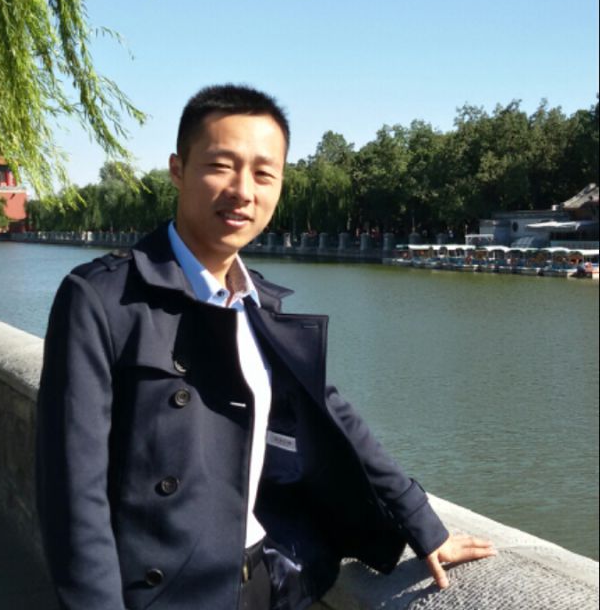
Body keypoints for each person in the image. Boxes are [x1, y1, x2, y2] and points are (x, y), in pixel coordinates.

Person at [36, 84, 495, 610]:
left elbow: (337, 416)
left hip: (263, 580)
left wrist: (422, 524)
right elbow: (73, 497)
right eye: (221, 166)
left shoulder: (259, 301)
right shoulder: (102, 299)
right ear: (178, 170)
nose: (242, 191)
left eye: (263, 173)